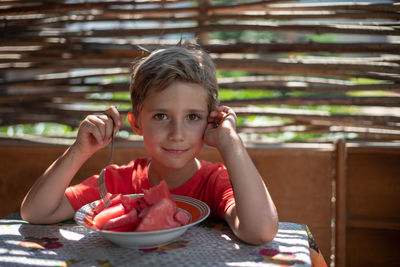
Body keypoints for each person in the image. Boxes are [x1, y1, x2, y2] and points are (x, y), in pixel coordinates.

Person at [20, 43, 278, 245]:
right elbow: (36, 213)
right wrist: (79, 151)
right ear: (136, 123)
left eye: (192, 117)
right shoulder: (116, 183)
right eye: (161, 116)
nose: (177, 134)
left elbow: (261, 231)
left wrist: (230, 142)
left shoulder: (214, 183)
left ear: (209, 122)